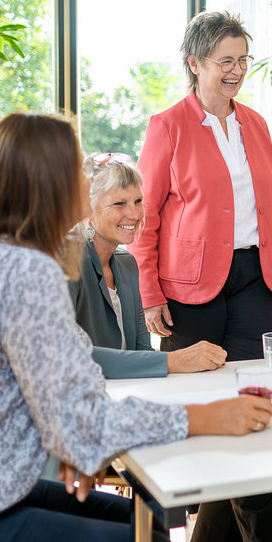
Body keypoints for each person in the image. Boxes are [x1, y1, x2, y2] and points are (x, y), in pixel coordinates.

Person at [0, 113, 272, 542]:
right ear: (48, 182)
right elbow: (81, 419)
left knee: (148, 528)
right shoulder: (27, 272)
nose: (86, 182)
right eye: (77, 169)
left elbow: (72, 375)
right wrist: (205, 417)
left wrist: (72, 437)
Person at [130, 11, 272, 542]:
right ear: (195, 63)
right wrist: (148, 293)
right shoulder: (168, 126)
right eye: (225, 61)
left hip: (250, 282)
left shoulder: (256, 125)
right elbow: (146, 216)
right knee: (211, 421)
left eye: (243, 60)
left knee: (251, 413)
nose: (237, 71)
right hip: (187, 289)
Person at [72, 152, 226, 379]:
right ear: (87, 209)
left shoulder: (127, 265)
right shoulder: (65, 264)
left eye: (138, 201)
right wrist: (176, 359)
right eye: (119, 203)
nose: (135, 214)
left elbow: (141, 352)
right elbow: (70, 356)